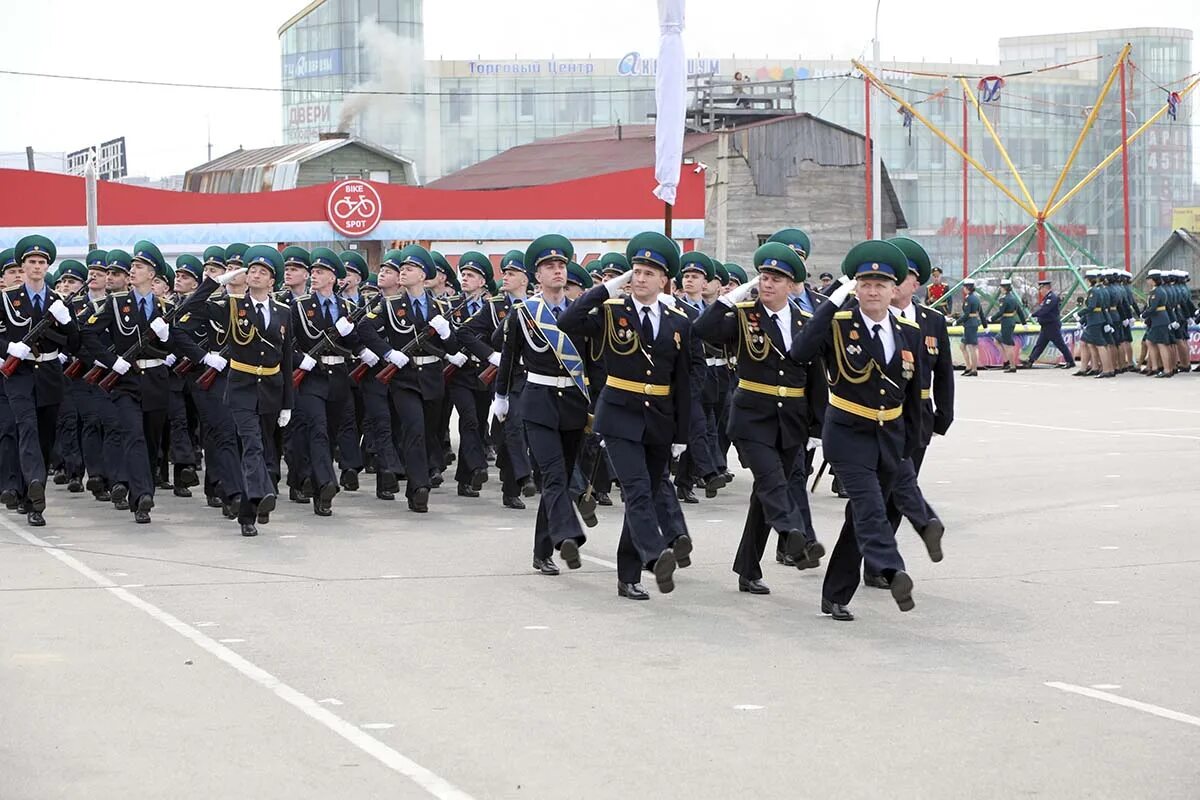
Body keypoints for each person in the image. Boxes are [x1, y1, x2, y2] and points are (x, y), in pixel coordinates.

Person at [790, 240, 932, 621]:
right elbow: (799, 352)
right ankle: (891, 568)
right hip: (848, 433)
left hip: (888, 437)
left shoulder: (909, 334)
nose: (872, 291)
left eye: (880, 284)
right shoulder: (837, 324)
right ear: (855, 287)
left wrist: (912, 445)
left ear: (893, 289)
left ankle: (835, 594)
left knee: (859, 519)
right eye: (865, 283)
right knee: (870, 507)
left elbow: (915, 396)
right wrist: (831, 303)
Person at [559, 231, 695, 599]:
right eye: (636, 270)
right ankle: (654, 556)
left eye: (650, 272)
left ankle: (628, 575)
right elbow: (568, 321)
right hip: (619, 414)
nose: (641, 278)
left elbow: (683, 382)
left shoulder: (678, 320)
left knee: (647, 494)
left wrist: (683, 434)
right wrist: (606, 288)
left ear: (664, 280)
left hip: (659, 419)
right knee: (635, 491)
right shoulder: (610, 311)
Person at [695, 242, 826, 595]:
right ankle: (793, 533)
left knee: (762, 497)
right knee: (771, 480)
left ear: (791, 284)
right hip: (752, 417)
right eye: (764, 277)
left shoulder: (804, 322)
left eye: (777, 278)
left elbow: (814, 375)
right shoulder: (742, 316)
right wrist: (731, 296)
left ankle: (748, 568)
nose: (768, 284)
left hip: (792, 420)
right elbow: (702, 330)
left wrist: (817, 426)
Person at [491, 234, 590, 577]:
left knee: (560, 478)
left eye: (562, 265)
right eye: (550, 266)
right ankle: (567, 536)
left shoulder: (578, 312)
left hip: (573, 405)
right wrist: (501, 396)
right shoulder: (525, 314)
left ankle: (541, 551)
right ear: (538, 275)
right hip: (538, 402)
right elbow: (508, 356)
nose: (558, 271)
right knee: (552, 475)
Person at [80, 241, 184, 524]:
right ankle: (142, 497)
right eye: (133, 266)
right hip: (125, 381)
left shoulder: (165, 306)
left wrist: (165, 337)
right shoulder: (116, 303)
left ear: (153, 274)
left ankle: (142, 489)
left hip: (156, 380)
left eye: (139, 267)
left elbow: (177, 344)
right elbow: (88, 334)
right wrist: (111, 361)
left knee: (151, 442)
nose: (133, 270)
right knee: (133, 435)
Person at [354, 245, 459, 513]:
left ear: (423, 276)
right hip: (404, 378)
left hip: (433, 377)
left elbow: (453, 347)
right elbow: (365, 328)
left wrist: (446, 334)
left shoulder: (439, 306)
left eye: (409, 269)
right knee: (413, 428)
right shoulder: (389, 304)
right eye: (401, 268)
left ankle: (416, 485)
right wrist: (388, 352)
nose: (403, 272)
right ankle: (420, 486)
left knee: (427, 433)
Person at [0, 235, 78, 527]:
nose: (36, 266)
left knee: (44, 437)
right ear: (22, 267)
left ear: (47, 267)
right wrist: (8, 348)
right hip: (18, 375)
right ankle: (35, 492)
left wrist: (67, 321)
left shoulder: (57, 301)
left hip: (48, 375)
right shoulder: (7, 299)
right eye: (31, 262)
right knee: (27, 429)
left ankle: (30, 490)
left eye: (41, 262)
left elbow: (76, 343)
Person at [287, 247, 364, 516]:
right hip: (311, 378)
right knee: (317, 430)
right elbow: (287, 343)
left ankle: (310, 478)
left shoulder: (347, 308)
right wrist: (299, 360)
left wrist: (350, 333)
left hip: (339, 377)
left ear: (333, 278)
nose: (314, 276)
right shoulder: (300, 307)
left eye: (320, 272)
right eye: (313, 272)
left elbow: (356, 344)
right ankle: (325, 487)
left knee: (330, 435)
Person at [1025, 277, 1074, 368]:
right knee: (1040, 345)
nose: (1040, 291)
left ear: (1045, 288)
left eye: (1041, 288)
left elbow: (1045, 310)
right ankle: (1030, 360)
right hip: (1046, 325)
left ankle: (1070, 361)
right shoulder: (1047, 298)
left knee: (1060, 344)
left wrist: (1033, 315)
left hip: (1052, 326)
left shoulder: (1052, 298)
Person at [989, 278, 1027, 373]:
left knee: (1007, 345)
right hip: (1010, 322)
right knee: (997, 340)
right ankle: (1006, 361)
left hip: (1006, 323)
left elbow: (1001, 312)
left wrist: (991, 319)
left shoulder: (1004, 299)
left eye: (1001, 287)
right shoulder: (1013, 298)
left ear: (1004, 288)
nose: (1000, 288)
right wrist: (1024, 323)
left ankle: (1012, 366)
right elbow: (1019, 311)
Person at [1141, 270, 1175, 377]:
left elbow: (1153, 308)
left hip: (1159, 320)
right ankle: (1155, 367)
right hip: (1158, 320)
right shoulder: (1156, 291)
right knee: (1150, 341)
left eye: (1149, 279)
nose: (1147, 281)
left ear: (1153, 280)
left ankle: (1167, 370)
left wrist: (1143, 315)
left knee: (1161, 344)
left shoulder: (1158, 292)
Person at [956, 278, 983, 376]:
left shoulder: (969, 299)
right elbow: (981, 313)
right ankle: (968, 367)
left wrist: (957, 321)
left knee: (972, 347)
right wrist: (984, 324)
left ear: (967, 287)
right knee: (962, 346)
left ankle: (974, 369)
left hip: (970, 324)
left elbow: (967, 314)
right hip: (972, 323)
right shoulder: (975, 298)